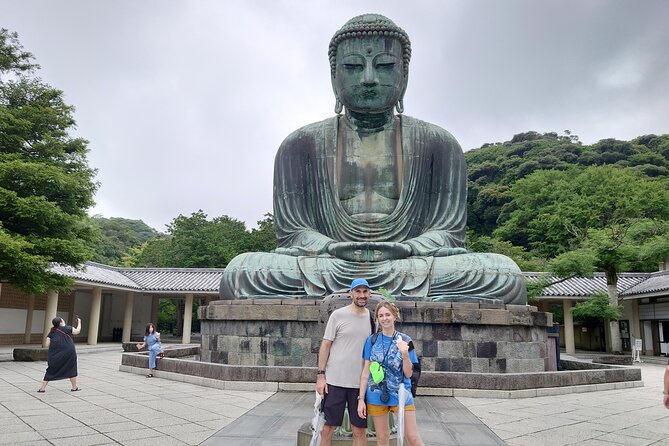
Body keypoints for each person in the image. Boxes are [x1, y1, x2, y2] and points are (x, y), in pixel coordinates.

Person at [219, 13, 526, 304]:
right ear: (333, 76)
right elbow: (293, 234)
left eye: (383, 66)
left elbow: (448, 233)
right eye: (353, 66)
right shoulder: (300, 145)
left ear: (404, 75)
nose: (368, 78)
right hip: (330, 264)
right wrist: (329, 246)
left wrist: (408, 248)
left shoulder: (439, 144)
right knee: (242, 272)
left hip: (411, 263)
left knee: (503, 274)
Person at [316, 278, 373, 446]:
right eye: (358, 291)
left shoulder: (371, 318)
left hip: (359, 384)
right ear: (351, 293)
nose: (361, 295)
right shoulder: (338, 315)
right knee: (328, 427)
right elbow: (326, 345)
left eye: (365, 292)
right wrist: (321, 376)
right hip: (335, 381)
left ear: (369, 294)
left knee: (359, 430)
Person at [358, 302, 423, 446]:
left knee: (412, 437)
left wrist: (405, 354)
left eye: (387, 315)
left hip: (401, 393)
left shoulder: (405, 340)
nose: (384, 318)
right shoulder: (371, 340)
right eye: (380, 315)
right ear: (377, 319)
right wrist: (361, 399)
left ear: (395, 316)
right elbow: (365, 372)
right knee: (382, 437)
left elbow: (408, 373)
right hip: (375, 393)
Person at [37, 316, 81, 392]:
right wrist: (79, 322)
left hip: (55, 354)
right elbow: (77, 331)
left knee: (51, 370)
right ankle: (74, 387)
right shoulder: (67, 328)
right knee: (72, 368)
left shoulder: (52, 331)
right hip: (69, 353)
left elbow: (46, 344)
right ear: (61, 322)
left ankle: (42, 388)